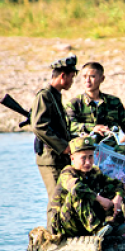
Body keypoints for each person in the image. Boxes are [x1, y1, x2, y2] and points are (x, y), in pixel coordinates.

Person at [47, 136, 125, 238]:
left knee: (111, 189)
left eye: (90, 156)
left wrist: (118, 198)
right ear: (72, 158)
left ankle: (113, 225)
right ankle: (97, 229)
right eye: (83, 158)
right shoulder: (67, 172)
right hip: (65, 225)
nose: (88, 162)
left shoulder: (94, 172)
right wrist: (100, 199)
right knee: (80, 193)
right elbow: (77, 188)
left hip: (84, 221)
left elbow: (118, 183)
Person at [65, 61, 125, 144]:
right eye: (84, 76)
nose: (87, 80)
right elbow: (70, 125)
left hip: (109, 153)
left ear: (102, 78)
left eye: (92, 76)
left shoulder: (113, 102)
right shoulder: (75, 103)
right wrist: (92, 128)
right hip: (85, 153)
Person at [31, 54, 76, 197]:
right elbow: (39, 126)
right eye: (71, 77)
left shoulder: (54, 95)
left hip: (58, 159)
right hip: (51, 159)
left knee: (63, 200)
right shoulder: (45, 96)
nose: (72, 81)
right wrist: (64, 147)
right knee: (56, 201)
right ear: (63, 76)